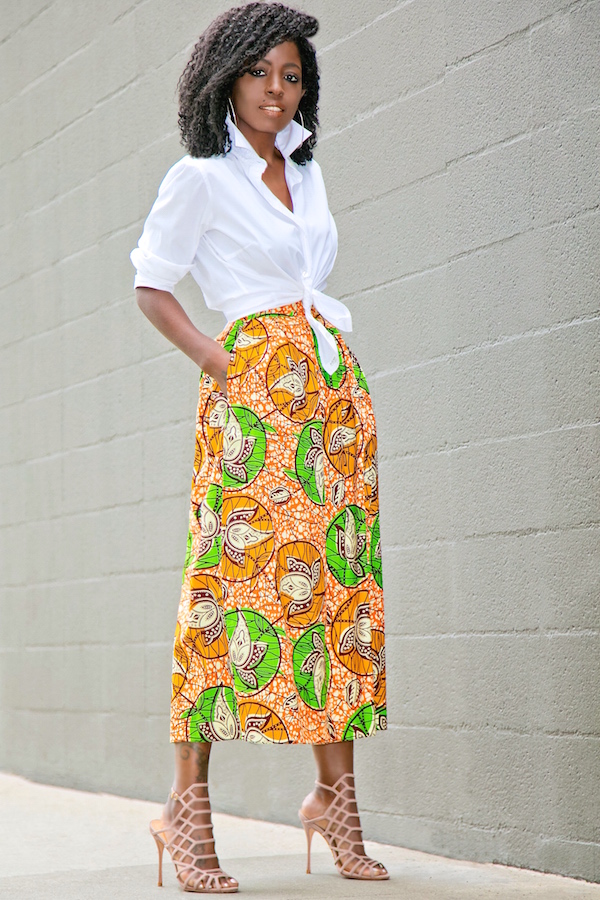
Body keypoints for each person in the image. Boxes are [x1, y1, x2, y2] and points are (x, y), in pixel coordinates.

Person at [130, 3, 388, 892]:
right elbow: (152, 285)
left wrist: (332, 386)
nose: (278, 91)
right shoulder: (199, 176)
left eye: (292, 77)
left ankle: (336, 805)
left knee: (336, 594)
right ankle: (184, 813)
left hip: (329, 395)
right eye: (261, 74)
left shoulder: (305, 172)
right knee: (226, 591)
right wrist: (219, 365)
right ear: (225, 78)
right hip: (253, 399)